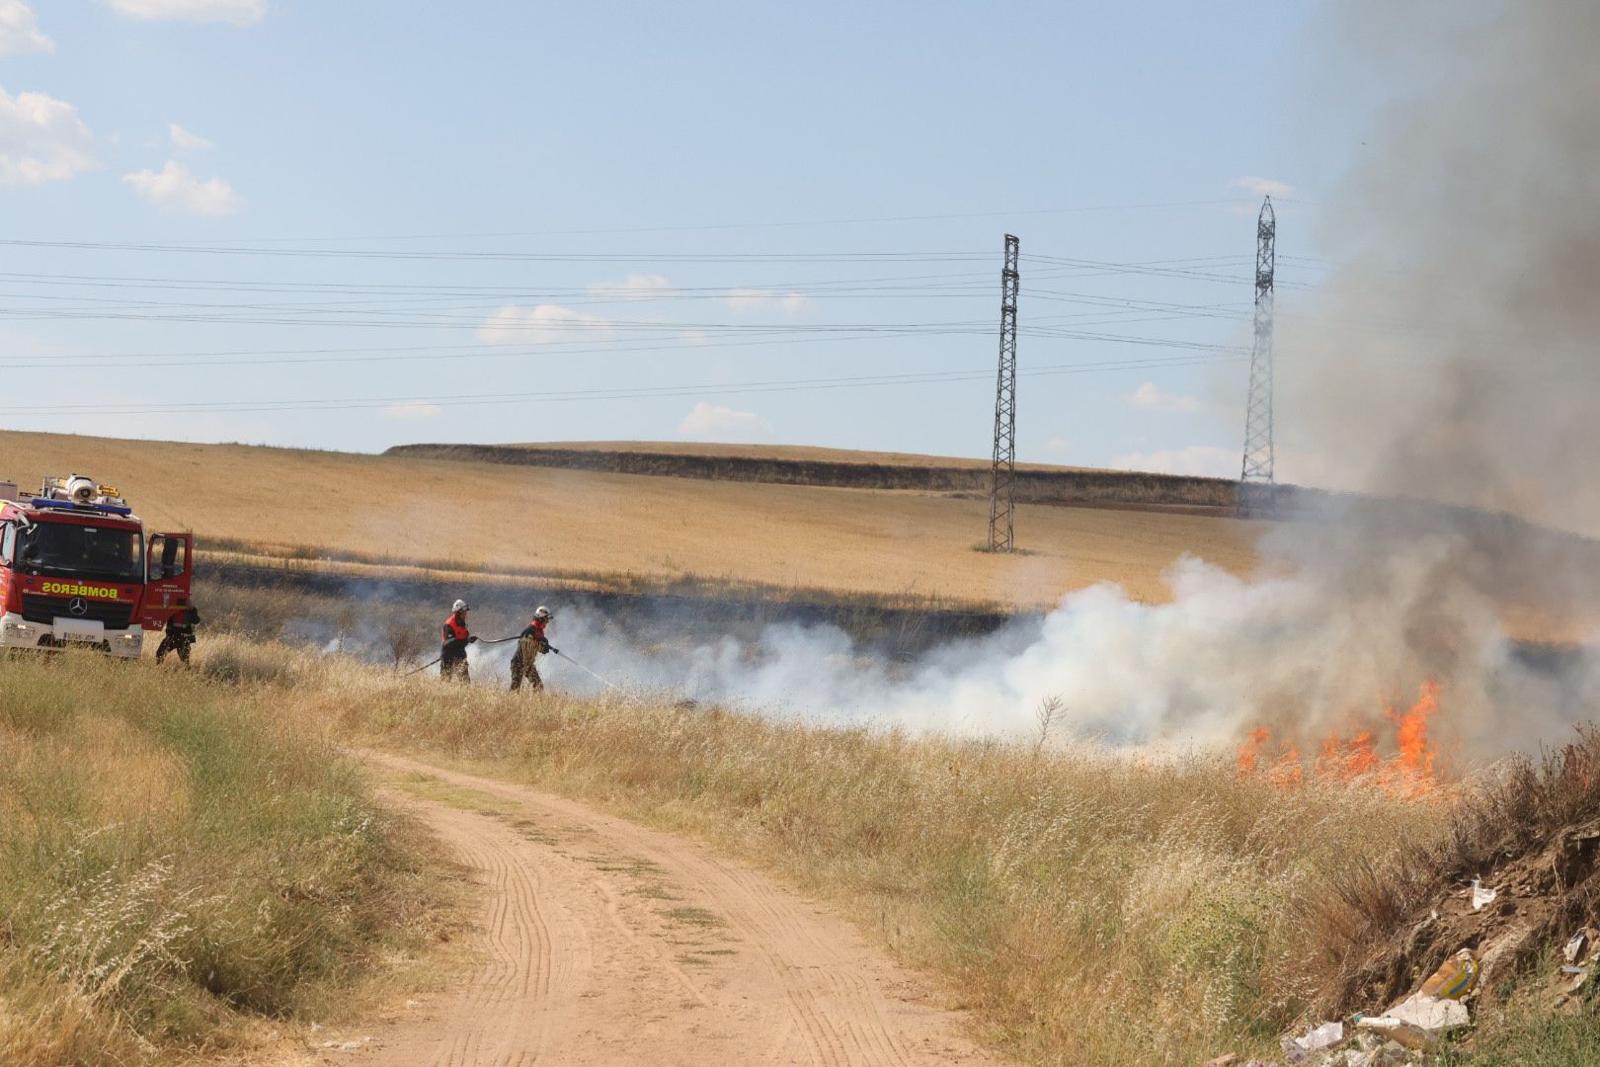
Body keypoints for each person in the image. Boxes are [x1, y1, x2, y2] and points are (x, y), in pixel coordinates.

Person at [509, 605, 558, 692]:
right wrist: (538, 644)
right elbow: (526, 642)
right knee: (515, 690)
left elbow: (539, 647)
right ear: (541, 618)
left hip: (528, 664)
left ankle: (533, 701)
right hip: (518, 663)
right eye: (546, 619)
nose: (547, 622)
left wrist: (544, 646)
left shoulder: (539, 632)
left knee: (539, 686)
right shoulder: (530, 630)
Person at [440, 599, 477, 681]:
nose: (466, 614)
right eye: (464, 612)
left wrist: (469, 639)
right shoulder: (449, 624)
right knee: (445, 681)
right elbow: (448, 642)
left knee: (465, 683)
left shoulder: (463, 623)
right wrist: (466, 640)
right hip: (448, 656)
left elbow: (463, 639)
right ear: (458, 612)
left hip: (460, 655)